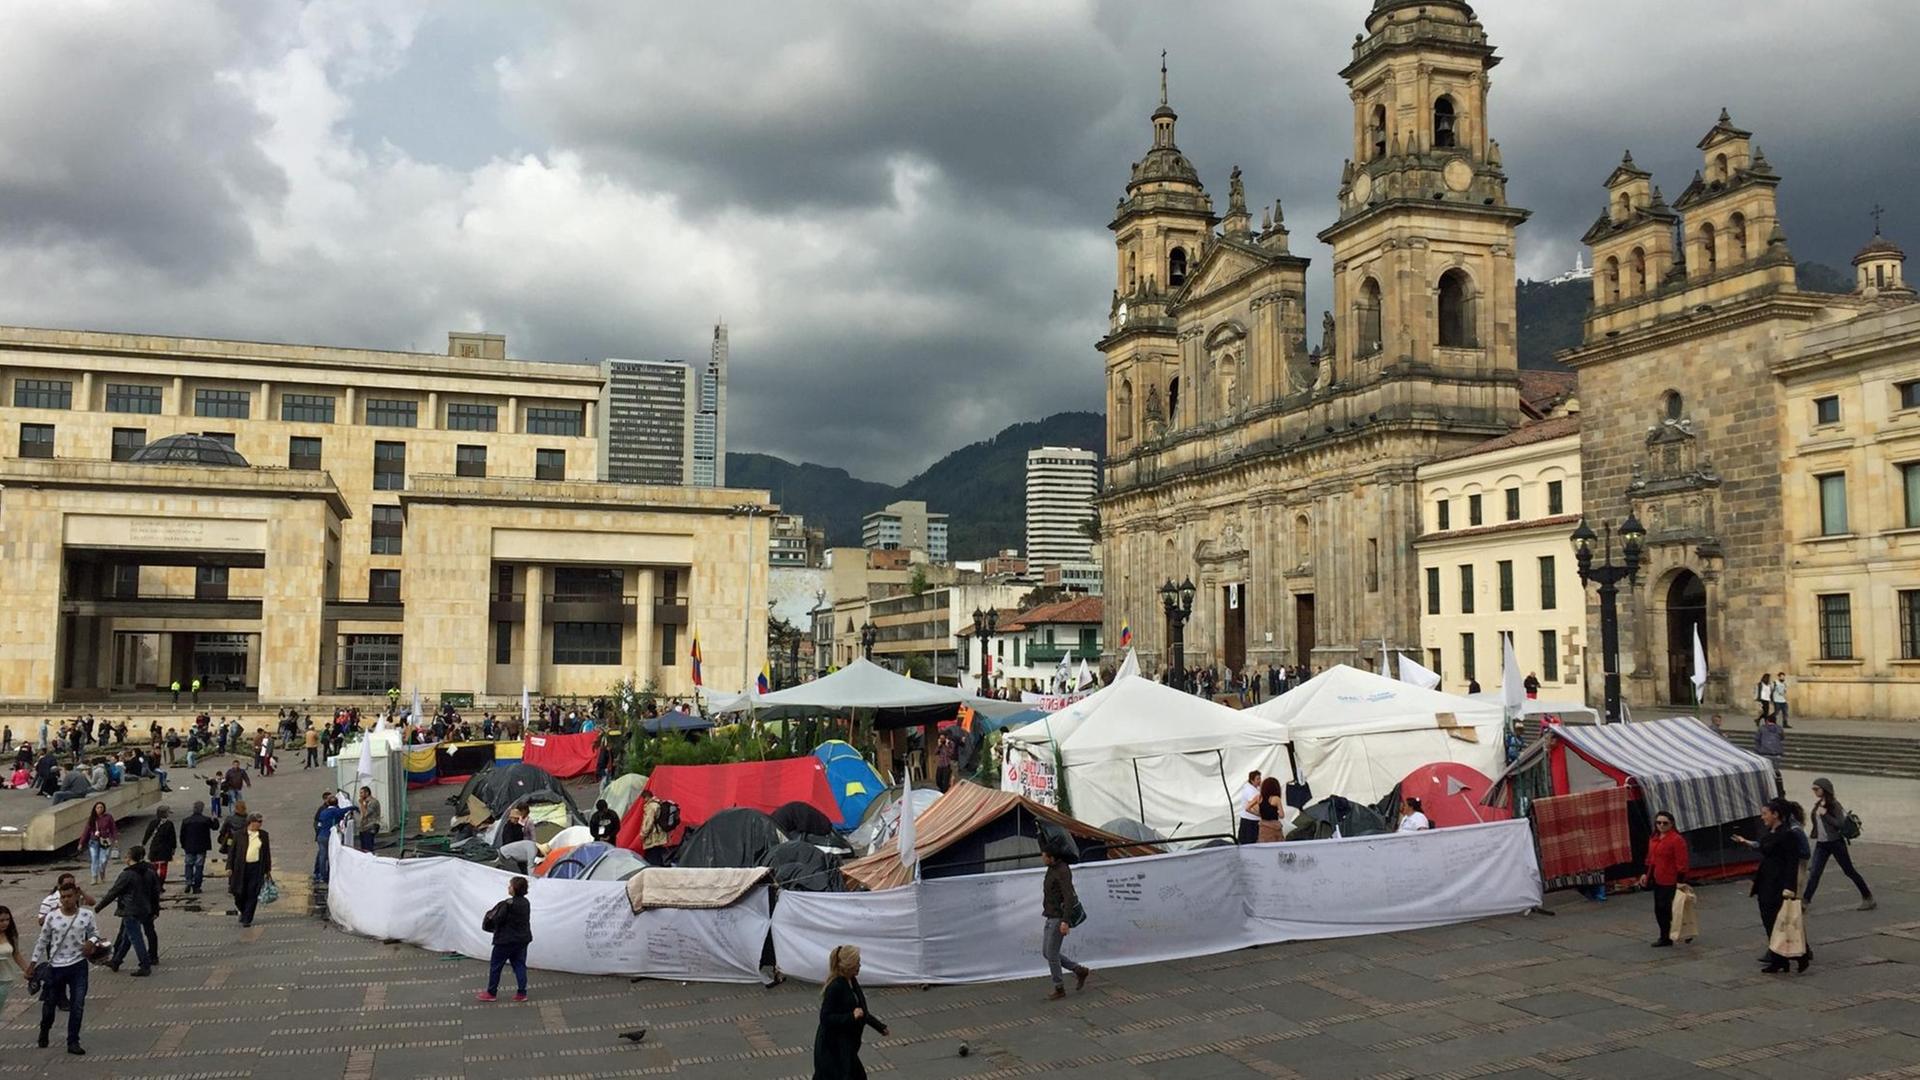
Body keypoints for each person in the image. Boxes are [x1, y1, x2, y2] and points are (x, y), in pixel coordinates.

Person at [1733, 798, 1810, 974]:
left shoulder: (1788, 834)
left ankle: (1801, 955)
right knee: (1769, 921)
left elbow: (1793, 861)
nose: (1762, 817)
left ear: (1776, 815)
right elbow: (1764, 848)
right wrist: (1746, 842)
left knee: (1781, 921)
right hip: (1766, 880)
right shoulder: (1771, 832)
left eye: (1765, 814)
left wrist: (1790, 886)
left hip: (1779, 882)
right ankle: (1778, 959)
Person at [32, 878, 100, 1055]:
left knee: (77, 1005)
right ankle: (44, 1029)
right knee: (50, 1005)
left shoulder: (86, 915)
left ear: (77, 895)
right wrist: (32, 964)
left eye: (69, 896)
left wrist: (90, 942)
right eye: (63, 897)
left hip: (78, 966)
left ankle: (73, 1041)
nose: (66, 900)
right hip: (56, 967)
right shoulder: (52, 917)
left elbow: (95, 934)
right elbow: (43, 940)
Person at [813, 944, 887, 1079]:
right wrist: (850, 1017)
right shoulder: (835, 987)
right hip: (833, 1047)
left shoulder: (851, 980)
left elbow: (861, 1010)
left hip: (846, 1045)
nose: (860, 966)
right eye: (857, 963)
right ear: (848, 965)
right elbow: (825, 1018)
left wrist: (879, 1027)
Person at [1805, 778, 1874, 911]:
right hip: (1822, 843)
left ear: (1825, 789)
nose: (1814, 791)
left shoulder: (1834, 805)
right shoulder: (1818, 804)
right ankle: (1805, 901)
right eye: (1813, 789)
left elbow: (1840, 824)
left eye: (1816, 789)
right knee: (1815, 873)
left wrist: (1826, 815)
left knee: (1849, 870)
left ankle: (1868, 897)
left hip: (1836, 842)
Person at [95, 844, 158, 975]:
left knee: (135, 938)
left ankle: (145, 965)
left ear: (129, 857)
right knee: (126, 937)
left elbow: (114, 892)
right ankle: (116, 961)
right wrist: (155, 909)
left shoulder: (127, 874)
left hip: (130, 910)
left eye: (126, 855)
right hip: (144, 909)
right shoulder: (149, 872)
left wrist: (99, 906)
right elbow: (155, 893)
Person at [1039, 849, 1090, 1000]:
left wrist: (1065, 921)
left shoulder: (1062, 871)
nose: (1042, 857)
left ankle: (1059, 987)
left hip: (1058, 917)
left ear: (1052, 856)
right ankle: (1078, 970)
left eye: (1044, 854)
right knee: (1047, 952)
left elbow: (1068, 897)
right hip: (1050, 915)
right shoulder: (1052, 868)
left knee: (1052, 954)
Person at [477, 876, 533, 1002]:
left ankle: (491, 992)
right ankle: (522, 993)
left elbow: (497, 919)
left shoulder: (508, 904)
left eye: (510, 885)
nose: (508, 887)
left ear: (514, 889)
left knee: (496, 966)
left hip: (505, 940)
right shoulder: (526, 903)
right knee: (519, 965)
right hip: (522, 939)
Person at [1641, 810, 1690, 947]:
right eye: (1658, 823)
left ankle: (1680, 932)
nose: (1661, 825)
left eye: (1665, 823)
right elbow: (1650, 859)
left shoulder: (1676, 840)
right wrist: (1646, 874)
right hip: (1658, 878)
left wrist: (1680, 881)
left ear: (1671, 824)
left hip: (1671, 880)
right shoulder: (1654, 838)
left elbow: (1682, 862)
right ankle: (1665, 936)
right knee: (1660, 909)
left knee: (1671, 909)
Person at [228, 813, 272, 928]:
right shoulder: (239, 835)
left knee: (252, 893)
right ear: (251, 822)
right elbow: (232, 852)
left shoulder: (263, 835)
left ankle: (247, 918)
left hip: (256, 868)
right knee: (238, 893)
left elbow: (266, 853)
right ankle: (243, 910)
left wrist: (268, 869)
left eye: (261, 822)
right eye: (259, 821)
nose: (261, 824)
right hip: (240, 868)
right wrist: (229, 867)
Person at [180, 802, 215, 895]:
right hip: (201, 846)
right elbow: (215, 827)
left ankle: (188, 882)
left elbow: (182, 835)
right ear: (202, 809)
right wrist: (214, 819)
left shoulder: (186, 820)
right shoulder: (205, 820)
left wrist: (183, 845)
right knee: (199, 866)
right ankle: (197, 886)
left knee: (189, 864)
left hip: (189, 846)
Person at [0, 906, 29, 1012]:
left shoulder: (11, 935)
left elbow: (16, 954)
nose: (5, 923)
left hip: (4, 980)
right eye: (1, 920)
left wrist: (28, 970)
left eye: (7, 920)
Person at [80, 803, 116, 884]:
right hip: (94, 841)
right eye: (98, 808)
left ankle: (102, 872)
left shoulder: (108, 817)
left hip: (105, 840)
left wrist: (115, 838)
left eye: (101, 807)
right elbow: (86, 831)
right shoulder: (92, 819)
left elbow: (113, 828)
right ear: (95, 809)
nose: (99, 809)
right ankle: (94, 877)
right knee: (94, 859)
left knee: (103, 859)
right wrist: (81, 842)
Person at [143, 805, 178, 887]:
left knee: (154, 866)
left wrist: (144, 843)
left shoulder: (153, 823)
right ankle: (160, 884)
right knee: (163, 867)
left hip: (154, 847)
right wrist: (174, 847)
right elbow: (172, 837)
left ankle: (154, 883)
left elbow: (148, 833)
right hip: (165, 849)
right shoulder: (169, 824)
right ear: (165, 814)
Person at [1233, 770, 1263, 846]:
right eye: (1258, 779)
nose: (1260, 781)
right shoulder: (1250, 791)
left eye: (1260, 778)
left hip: (1253, 820)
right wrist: (1264, 814)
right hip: (1250, 822)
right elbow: (1255, 807)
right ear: (1252, 780)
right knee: (1249, 843)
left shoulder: (1256, 788)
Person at [1255, 776, 1287, 843]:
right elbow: (1282, 815)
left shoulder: (1259, 798)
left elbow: (1255, 811)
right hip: (1275, 827)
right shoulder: (1276, 798)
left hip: (1263, 827)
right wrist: (1275, 813)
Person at [356, 787, 382, 852]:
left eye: (362, 793)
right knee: (363, 848)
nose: (360, 795)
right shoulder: (365, 802)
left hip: (370, 826)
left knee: (368, 847)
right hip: (363, 827)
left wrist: (362, 804)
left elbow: (366, 813)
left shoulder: (373, 802)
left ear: (367, 793)